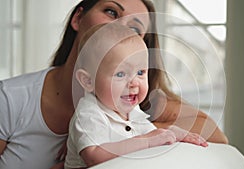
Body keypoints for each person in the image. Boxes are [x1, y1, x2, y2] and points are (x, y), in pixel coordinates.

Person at [0, 0, 227, 168]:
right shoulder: (11, 98)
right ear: (78, 18)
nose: (119, 27)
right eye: (111, 12)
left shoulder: (134, 102)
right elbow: (93, 155)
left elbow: (216, 136)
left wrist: (119, 135)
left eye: (135, 28)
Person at [65, 23, 208, 169]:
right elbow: (94, 156)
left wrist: (170, 132)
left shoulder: (132, 112)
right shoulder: (89, 114)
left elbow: (154, 137)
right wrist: (146, 140)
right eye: (120, 74)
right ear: (88, 81)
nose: (134, 83)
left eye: (140, 72)